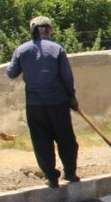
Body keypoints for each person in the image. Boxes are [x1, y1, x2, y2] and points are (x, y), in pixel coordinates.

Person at [6, 16, 80, 188]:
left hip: (34, 105)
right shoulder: (57, 49)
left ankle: (51, 177)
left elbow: (11, 73)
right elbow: (67, 77)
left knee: (41, 141)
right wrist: (72, 97)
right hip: (58, 103)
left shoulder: (22, 50)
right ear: (48, 30)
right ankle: (70, 173)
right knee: (66, 139)